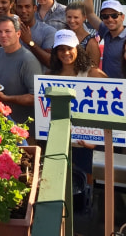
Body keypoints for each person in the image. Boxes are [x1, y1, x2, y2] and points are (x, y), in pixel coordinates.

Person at [48, 30, 106, 180]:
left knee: (87, 185)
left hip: (86, 144)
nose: (65, 53)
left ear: (77, 49)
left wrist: (96, 140)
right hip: (60, 142)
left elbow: (109, 105)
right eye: (61, 49)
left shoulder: (93, 74)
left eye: (69, 48)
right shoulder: (50, 76)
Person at [0, 16, 42, 126]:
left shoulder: (28, 60)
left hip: (23, 126)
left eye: (7, 31)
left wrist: (7, 98)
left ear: (18, 34)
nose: (3, 35)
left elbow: (36, 97)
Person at [84, 0, 126, 78]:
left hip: (124, 87)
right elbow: (89, 13)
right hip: (107, 86)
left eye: (114, 15)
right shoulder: (106, 30)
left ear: (122, 17)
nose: (110, 19)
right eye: (105, 16)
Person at [16, 0, 56, 70]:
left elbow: (50, 62)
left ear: (35, 8)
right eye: (20, 7)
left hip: (38, 79)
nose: (23, 10)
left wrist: (30, 42)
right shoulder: (10, 30)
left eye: (27, 7)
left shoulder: (48, 31)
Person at [65, 2, 101, 67]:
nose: (72, 20)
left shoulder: (91, 43)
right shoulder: (63, 37)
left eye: (76, 17)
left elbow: (94, 70)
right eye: (69, 17)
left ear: (84, 18)